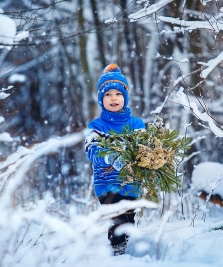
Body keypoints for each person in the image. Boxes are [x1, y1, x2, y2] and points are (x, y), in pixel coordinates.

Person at [85, 63, 145, 255]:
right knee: (118, 220)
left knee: (128, 221)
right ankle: (117, 255)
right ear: (101, 99)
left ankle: (124, 251)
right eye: (108, 94)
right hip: (107, 185)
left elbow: (144, 148)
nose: (113, 98)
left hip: (131, 184)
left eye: (118, 94)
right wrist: (111, 157)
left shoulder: (136, 124)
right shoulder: (97, 126)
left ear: (125, 97)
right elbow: (91, 151)